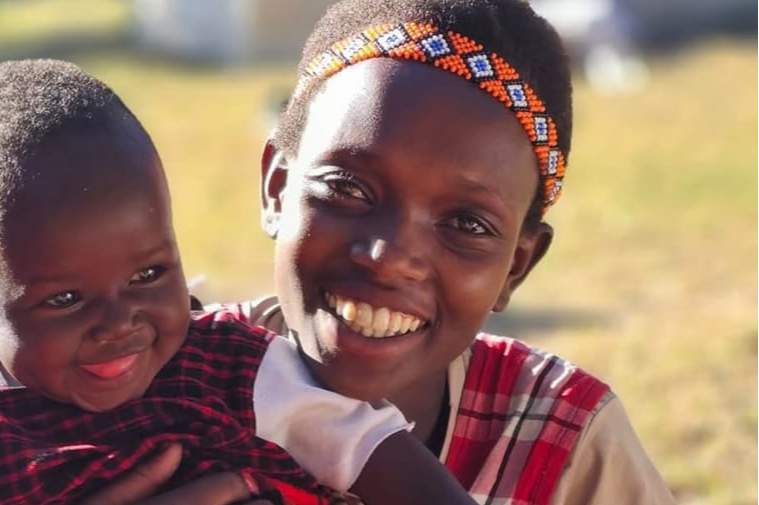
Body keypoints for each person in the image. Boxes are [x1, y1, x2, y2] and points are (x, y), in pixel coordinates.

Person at [92, 0, 677, 503]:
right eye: (347, 189)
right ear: (277, 186)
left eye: (466, 223)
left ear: (516, 267)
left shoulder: (563, 438)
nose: (388, 255)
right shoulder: (133, 384)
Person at [0, 59, 476, 505]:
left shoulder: (238, 369)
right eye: (64, 299)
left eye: (149, 274)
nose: (119, 323)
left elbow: (376, 454)